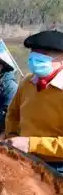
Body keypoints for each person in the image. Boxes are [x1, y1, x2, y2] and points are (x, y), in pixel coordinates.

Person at [4, 30, 63, 174]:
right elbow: (13, 114)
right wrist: (12, 137)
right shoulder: (27, 83)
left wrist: (31, 144)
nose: (36, 59)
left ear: (61, 58)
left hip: (58, 166)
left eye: (44, 55)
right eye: (34, 53)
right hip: (24, 157)